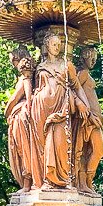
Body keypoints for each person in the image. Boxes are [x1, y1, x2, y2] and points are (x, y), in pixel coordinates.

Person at [29, 31, 90, 189]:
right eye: (54, 44)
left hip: (61, 109)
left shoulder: (65, 65)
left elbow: (76, 86)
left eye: (59, 44)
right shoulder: (40, 67)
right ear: (47, 45)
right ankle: (45, 181)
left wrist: (84, 104)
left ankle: (62, 179)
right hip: (41, 110)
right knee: (42, 146)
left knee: (60, 142)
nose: (57, 47)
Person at [72, 46, 103, 195]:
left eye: (95, 58)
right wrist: (89, 114)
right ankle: (85, 181)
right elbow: (73, 89)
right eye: (91, 57)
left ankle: (86, 181)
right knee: (94, 150)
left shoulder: (87, 74)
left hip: (95, 119)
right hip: (88, 119)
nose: (93, 61)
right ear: (83, 57)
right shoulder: (83, 73)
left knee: (93, 151)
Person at [5, 46, 35, 193]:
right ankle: (27, 183)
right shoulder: (29, 77)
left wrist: (7, 110)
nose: (14, 66)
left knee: (25, 150)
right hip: (20, 117)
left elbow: (17, 97)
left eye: (15, 61)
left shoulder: (26, 78)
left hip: (22, 118)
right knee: (22, 150)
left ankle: (27, 183)